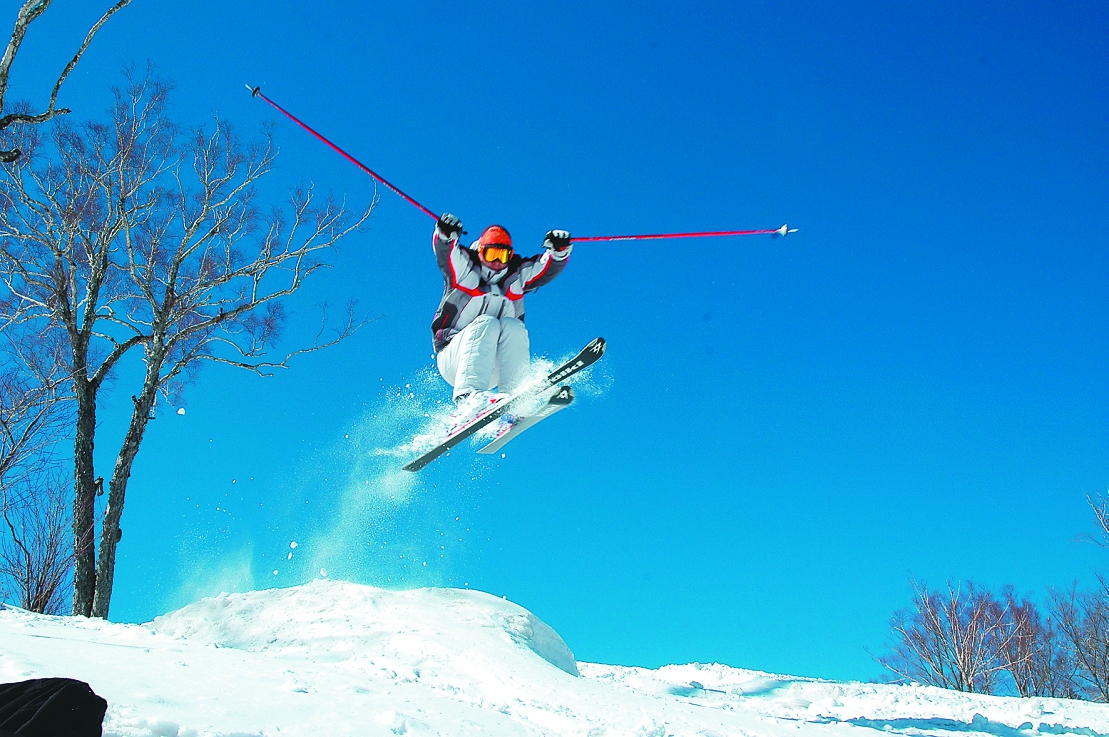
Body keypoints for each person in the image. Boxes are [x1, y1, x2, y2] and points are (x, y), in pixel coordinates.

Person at [431, 212, 571, 416]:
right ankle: (469, 399)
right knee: (487, 323)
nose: (497, 261)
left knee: (514, 327)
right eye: (491, 254)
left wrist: (559, 251)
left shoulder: (517, 276)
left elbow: (543, 269)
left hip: (494, 366)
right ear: (480, 251)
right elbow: (446, 254)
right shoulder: (465, 270)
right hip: (455, 360)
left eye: (503, 255)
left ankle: (513, 400)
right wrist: (445, 234)